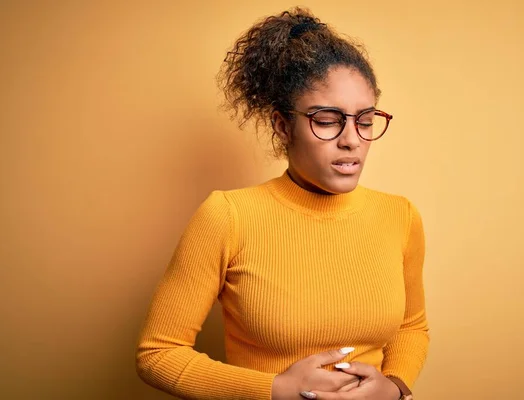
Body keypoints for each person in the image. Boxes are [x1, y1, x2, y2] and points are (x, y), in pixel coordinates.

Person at [136, 7, 429, 400]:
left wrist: (394, 388)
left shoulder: (400, 216)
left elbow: (412, 327)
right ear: (282, 125)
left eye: (364, 119)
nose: (352, 139)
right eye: (327, 119)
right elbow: (158, 354)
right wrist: (274, 389)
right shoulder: (227, 216)